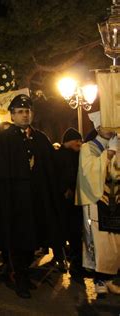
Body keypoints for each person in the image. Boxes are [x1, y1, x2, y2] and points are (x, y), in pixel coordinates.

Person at [0, 94, 62, 299]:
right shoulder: (3, 139)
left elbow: (51, 169)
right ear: (13, 115)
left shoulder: (40, 138)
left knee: (33, 240)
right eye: (20, 112)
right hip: (14, 203)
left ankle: (24, 273)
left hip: (36, 201)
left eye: (28, 112)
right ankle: (20, 279)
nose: (25, 115)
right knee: (17, 240)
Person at [75, 111, 120, 295]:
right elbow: (90, 173)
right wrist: (109, 154)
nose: (109, 130)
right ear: (98, 127)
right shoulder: (88, 147)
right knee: (98, 240)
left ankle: (111, 277)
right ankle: (100, 279)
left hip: (114, 200)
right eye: (106, 126)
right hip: (95, 201)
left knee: (114, 240)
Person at [54, 128, 83, 274]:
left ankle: (76, 263)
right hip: (63, 202)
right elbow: (55, 176)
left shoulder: (77, 155)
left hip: (75, 201)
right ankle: (66, 260)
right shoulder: (58, 156)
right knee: (67, 231)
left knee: (76, 233)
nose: (80, 143)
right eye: (77, 140)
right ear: (69, 141)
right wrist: (64, 189)